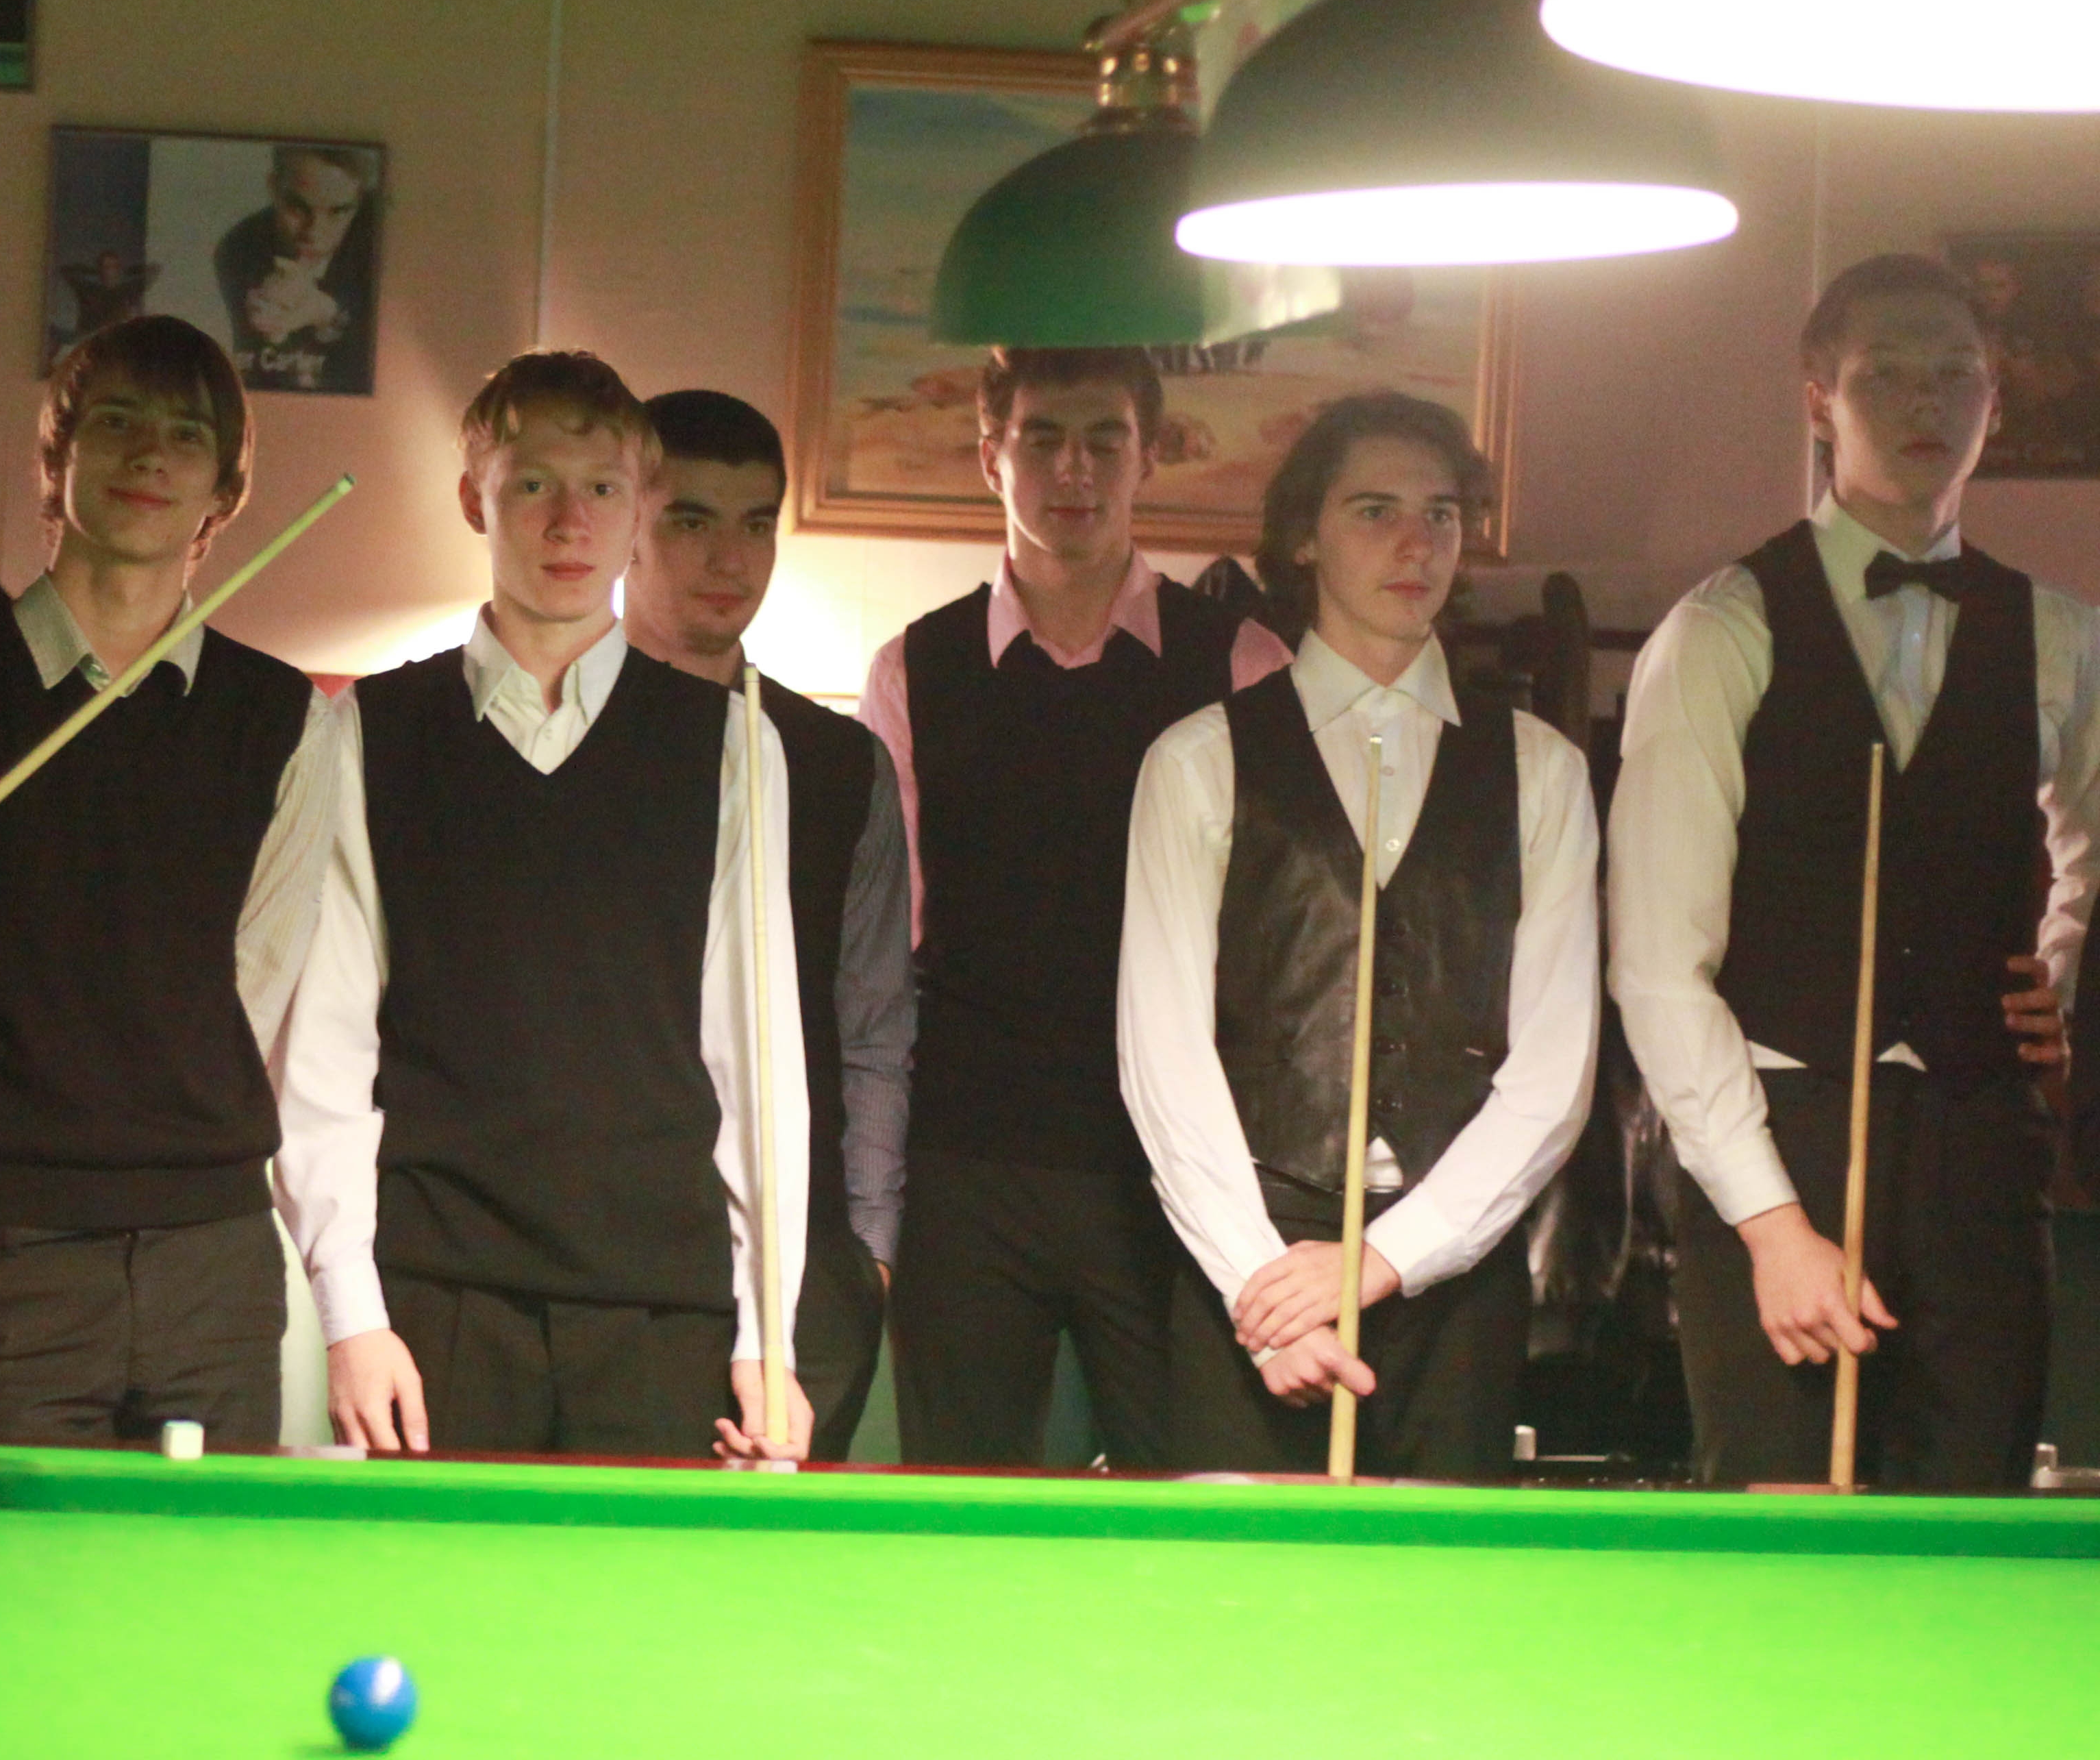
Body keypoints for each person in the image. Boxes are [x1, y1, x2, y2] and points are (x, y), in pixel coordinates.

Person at [1610, 253, 2099, 1489]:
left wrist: (2054, 980)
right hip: (1782, 1134)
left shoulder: (2061, 636)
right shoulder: (1721, 627)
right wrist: (1771, 1223)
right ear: (1819, 398)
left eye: (1957, 373)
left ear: (1995, 400)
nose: (1927, 400)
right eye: (1887, 372)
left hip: (1981, 1152)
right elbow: (1657, 963)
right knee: (1777, 1531)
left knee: (1969, 1530)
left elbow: (2089, 854)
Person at [277, 351, 813, 1459]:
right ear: (475, 498)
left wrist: (770, 1335)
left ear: (639, 509)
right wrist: (351, 1313)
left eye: (602, 488)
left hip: (665, 1307)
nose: (570, 520)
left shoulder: (729, 742)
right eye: (533, 484)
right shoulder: (368, 730)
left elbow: (757, 1061)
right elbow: (324, 1047)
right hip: (436, 1300)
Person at [0, 315, 336, 1447]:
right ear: (57, 460)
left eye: (186, 434)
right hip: (16, 1258)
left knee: (208, 1560)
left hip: (217, 1259)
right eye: (116, 422)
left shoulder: (284, 715)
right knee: (14, 1552)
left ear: (223, 490)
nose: (149, 453)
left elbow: (252, 984)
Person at [1121, 391, 1600, 1478]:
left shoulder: (1542, 772)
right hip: (1250, 1261)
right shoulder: (1197, 761)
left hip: (1455, 1273)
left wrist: (1385, 1258)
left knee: (1438, 1587)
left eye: (1442, 514)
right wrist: (1264, 1291)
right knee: (1247, 1582)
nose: (1415, 543)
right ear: (1304, 535)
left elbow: (1554, 1074)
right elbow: (1163, 1058)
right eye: (1375, 510)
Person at [860, 346, 1287, 1470]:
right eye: (1042, 438)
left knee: (1184, 1497)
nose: (1074, 467)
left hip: (1174, 1170)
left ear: (1150, 457)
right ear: (990, 458)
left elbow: (1278, 942)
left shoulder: (1242, 662)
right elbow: (888, 949)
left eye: (1105, 439)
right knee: (960, 1506)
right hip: (968, 1161)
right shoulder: (913, 669)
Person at [621, 388, 912, 1457]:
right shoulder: (558, 743)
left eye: (755, 523)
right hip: (612, 1265)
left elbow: (873, 1023)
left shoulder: (840, 763)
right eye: (690, 519)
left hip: (805, 1270)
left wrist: (868, 1251)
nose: (728, 558)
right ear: (626, 522)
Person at [212, 146, 380, 395]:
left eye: (338, 212)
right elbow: (255, 377)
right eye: (298, 207)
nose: (314, 232)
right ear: (273, 188)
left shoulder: (381, 246)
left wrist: (328, 315)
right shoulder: (239, 249)